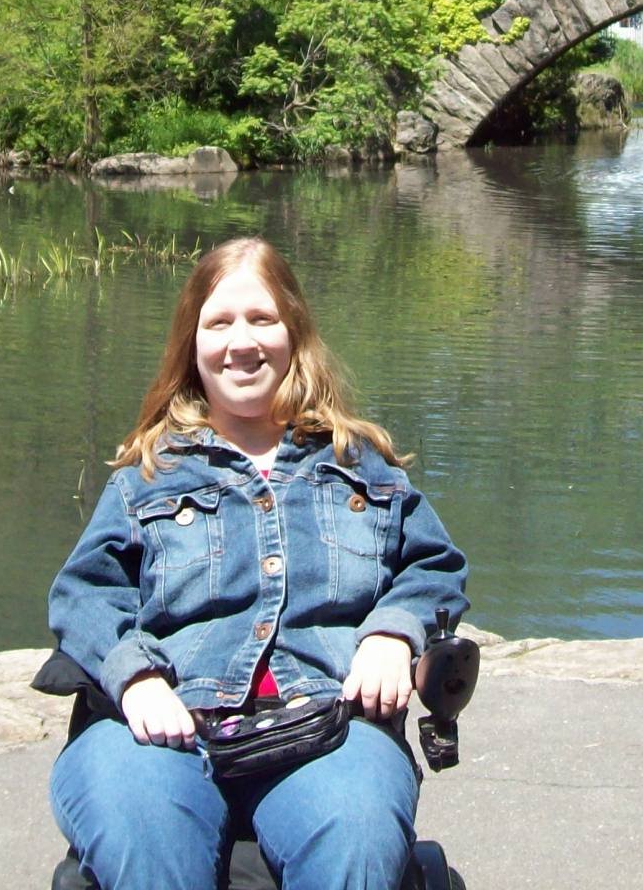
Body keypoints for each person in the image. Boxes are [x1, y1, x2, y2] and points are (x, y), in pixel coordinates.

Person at [46, 237, 468, 890]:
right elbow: (82, 596)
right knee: (148, 840)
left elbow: (433, 568)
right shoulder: (148, 476)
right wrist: (134, 678)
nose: (241, 342)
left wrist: (394, 631)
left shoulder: (360, 466)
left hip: (327, 725)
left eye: (262, 319)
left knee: (353, 838)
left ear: (294, 332)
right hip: (166, 729)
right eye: (219, 323)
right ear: (193, 343)